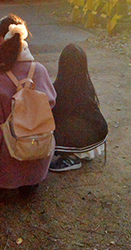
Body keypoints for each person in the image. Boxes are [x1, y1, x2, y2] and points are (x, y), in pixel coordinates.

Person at [0, 14, 56, 196]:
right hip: (36, 147)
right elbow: (52, 102)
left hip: (1, 152)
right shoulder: (38, 70)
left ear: (0, 38)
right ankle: (29, 181)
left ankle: (0, 183)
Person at [49, 43, 108, 172]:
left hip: (78, 137)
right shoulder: (86, 85)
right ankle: (84, 152)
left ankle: (71, 157)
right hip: (98, 133)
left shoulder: (59, 88)